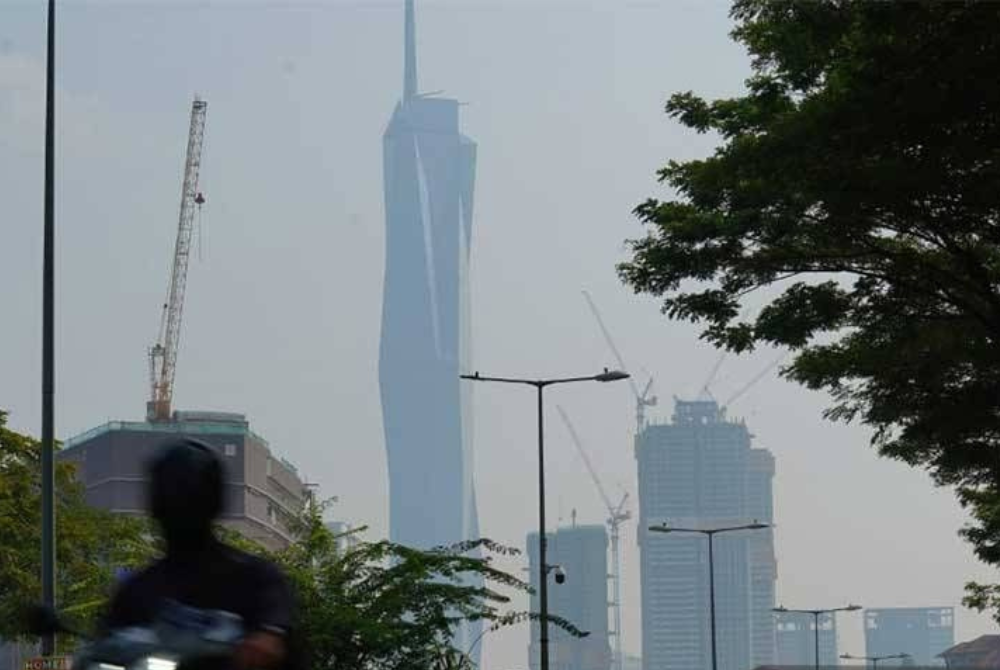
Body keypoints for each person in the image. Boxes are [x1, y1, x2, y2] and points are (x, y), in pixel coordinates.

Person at [101, 438, 301, 670]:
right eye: (169, 499)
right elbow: (106, 646)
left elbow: (273, 630)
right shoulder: (136, 592)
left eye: (189, 499)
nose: (178, 511)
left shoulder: (257, 579)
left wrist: (264, 641)